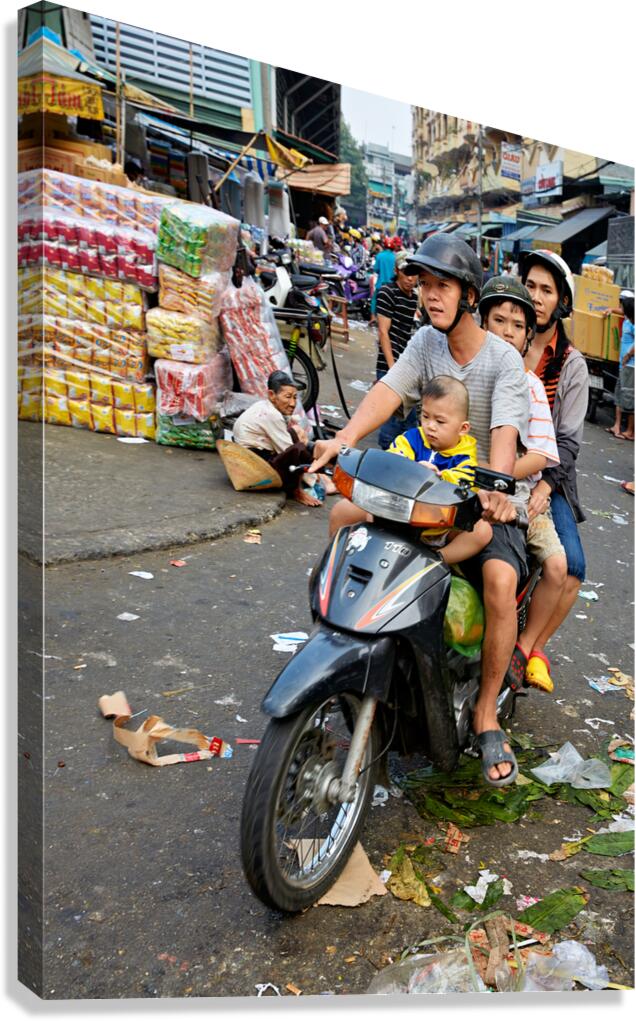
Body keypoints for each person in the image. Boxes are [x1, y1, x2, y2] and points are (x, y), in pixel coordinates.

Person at [311, 233, 531, 786]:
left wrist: (498, 486)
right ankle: (341, 646)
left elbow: (504, 428)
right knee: (342, 519)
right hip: (418, 490)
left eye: (444, 285)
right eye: (425, 284)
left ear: (469, 295)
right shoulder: (423, 344)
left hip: (479, 498)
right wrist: (346, 437)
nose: (431, 295)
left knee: (501, 580)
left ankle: (484, 714)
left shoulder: (504, 360)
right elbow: (388, 391)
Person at [478, 277, 567, 693]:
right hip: (464, 488)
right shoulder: (470, 368)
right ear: (482, 322)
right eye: (499, 321)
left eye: (517, 325)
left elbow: (541, 456)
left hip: (520, 496)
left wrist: (495, 471)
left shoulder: (530, 385)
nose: (508, 331)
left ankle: (524, 646)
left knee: (558, 566)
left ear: (528, 334)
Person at [518, 249, 589, 683]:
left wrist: (545, 486)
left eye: (547, 290)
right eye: (531, 286)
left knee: (573, 566)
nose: (537, 297)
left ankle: (531, 646)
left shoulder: (571, 364)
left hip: (551, 476)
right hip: (495, 464)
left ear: (561, 301)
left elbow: (568, 442)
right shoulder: (504, 335)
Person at [389, 376, 493, 564]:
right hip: (397, 518)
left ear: (463, 428)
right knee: (345, 510)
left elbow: (466, 483)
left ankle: (434, 562)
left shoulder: (465, 458)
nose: (430, 426)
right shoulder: (412, 438)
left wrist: (439, 477)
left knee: (482, 532)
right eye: (425, 416)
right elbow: (393, 457)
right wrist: (412, 468)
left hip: (441, 528)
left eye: (440, 421)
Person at [233, 371, 329, 507]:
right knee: (297, 450)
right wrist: (314, 467)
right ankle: (297, 491)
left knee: (295, 433)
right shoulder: (272, 415)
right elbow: (289, 450)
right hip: (254, 462)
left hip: (252, 453)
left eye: (295, 397)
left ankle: (316, 474)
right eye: (288, 397)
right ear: (272, 395)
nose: (292, 403)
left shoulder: (264, 406)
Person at [375, 251, 420, 448]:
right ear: (396, 271)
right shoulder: (387, 292)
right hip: (391, 365)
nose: (410, 279)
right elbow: (384, 333)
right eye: (405, 273)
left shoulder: (413, 299)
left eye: (414, 274)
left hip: (406, 365)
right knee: (393, 424)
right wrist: (393, 368)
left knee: (409, 421)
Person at [606, 289, 635, 440]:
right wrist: (610, 310)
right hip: (623, 365)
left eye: (623, 303)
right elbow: (620, 310)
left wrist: (628, 356)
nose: (621, 305)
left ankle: (631, 431)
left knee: (629, 398)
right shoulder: (628, 317)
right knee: (618, 395)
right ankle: (616, 425)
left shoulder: (634, 322)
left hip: (631, 365)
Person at [369, 237, 396, 326]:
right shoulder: (395, 257)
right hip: (392, 286)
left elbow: (376, 269)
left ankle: (373, 317)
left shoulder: (379, 255)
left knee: (374, 300)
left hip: (380, 284)